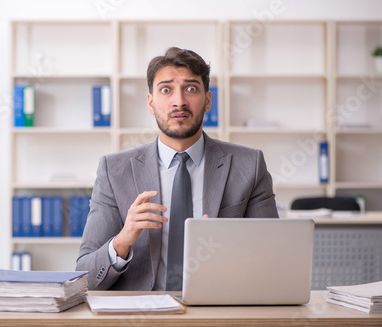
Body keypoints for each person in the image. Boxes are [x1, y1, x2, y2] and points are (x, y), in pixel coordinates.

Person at [75, 47, 278, 291]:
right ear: (151, 103)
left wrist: (230, 252)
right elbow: (84, 279)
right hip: (140, 319)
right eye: (166, 89)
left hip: (217, 315)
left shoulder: (249, 165)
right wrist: (122, 240)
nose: (179, 101)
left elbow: (272, 263)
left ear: (208, 100)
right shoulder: (114, 171)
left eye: (191, 88)